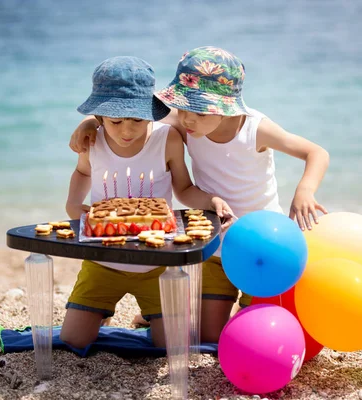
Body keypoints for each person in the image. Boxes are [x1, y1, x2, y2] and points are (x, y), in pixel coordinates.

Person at [68, 47, 330, 338]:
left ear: (223, 109)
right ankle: (160, 313)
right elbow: (128, 116)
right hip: (215, 246)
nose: (186, 120)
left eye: (196, 112)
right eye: (181, 109)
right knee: (207, 338)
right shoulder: (189, 123)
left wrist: (305, 190)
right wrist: (89, 122)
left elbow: (315, 152)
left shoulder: (257, 130)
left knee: (258, 331)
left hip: (261, 244)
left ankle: (231, 310)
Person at [60, 56, 233, 350]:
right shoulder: (93, 140)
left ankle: (151, 316)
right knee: (73, 341)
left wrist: (212, 199)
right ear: (100, 117)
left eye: (138, 120)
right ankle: (99, 311)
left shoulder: (167, 140)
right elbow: (82, 172)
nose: (127, 131)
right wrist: (73, 204)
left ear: (151, 114)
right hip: (103, 262)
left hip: (156, 265)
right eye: (116, 121)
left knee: (170, 346)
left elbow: (185, 189)